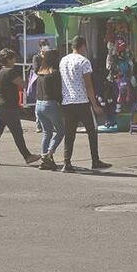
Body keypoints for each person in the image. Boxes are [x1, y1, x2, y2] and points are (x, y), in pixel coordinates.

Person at [59, 36, 110, 173]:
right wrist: (94, 104)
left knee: (69, 133)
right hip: (81, 101)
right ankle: (95, 160)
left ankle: (66, 162)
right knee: (92, 131)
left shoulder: (63, 60)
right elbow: (88, 85)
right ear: (83, 46)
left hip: (67, 101)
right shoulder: (84, 61)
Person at [0, 48, 41, 166]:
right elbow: (23, 84)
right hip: (7, 107)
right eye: (14, 58)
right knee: (17, 132)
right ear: (9, 60)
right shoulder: (10, 72)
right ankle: (27, 156)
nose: (15, 60)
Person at [34, 49, 65, 171]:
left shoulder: (40, 72)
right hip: (50, 104)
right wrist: (62, 103)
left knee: (47, 133)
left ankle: (44, 159)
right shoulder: (54, 73)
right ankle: (49, 154)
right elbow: (57, 92)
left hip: (39, 104)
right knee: (61, 131)